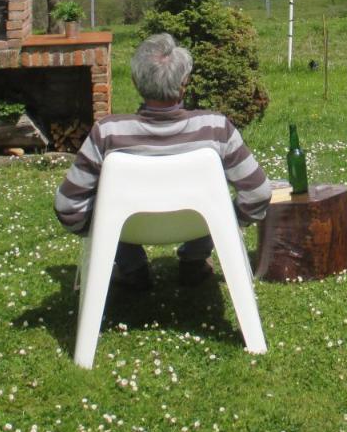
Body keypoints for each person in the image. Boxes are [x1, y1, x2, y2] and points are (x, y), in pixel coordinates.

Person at [55, 33, 271, 288]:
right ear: (185, 83)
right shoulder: (216, 129)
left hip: (126, 228)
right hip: (200, 224)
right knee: (218, 204)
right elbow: (258, 193)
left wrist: (101, 230)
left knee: (106, 204)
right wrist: (228, 223)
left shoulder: (108, 133)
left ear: (135, 81)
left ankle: (131, 266)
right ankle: (194, 258)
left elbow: (68, 206)